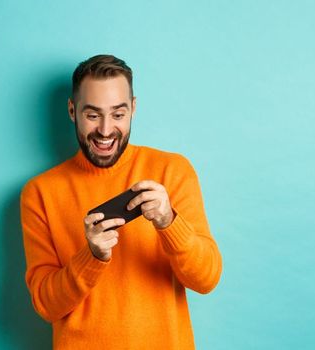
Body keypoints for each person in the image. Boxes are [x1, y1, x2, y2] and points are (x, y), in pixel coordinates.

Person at [19, 54, 223, 349]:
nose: (105, 130)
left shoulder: (172, 171)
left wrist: (169, 222)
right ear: (72, 110)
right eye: (92, 115)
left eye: (118, 114)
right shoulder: (40, 192)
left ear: (133, 109)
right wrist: (91, 256)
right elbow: (46, 305)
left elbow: (206, 279)